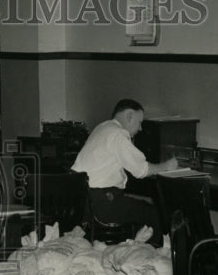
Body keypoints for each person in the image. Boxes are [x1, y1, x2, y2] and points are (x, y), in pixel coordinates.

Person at [72, 98, 178, 234]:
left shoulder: (102, 127)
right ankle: (154, 253)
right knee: (152, 213)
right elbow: (141, 170)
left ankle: (133, 247)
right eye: (139, 122)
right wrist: (167, 166)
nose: (140, 128)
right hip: (101, 203)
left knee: (137, 207)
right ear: (129, 116)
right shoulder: (118, 133)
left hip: (82, 202)